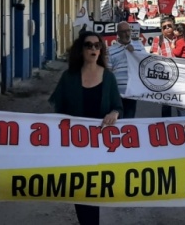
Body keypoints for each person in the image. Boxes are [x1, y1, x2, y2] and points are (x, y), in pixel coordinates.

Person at [50, 32, 123, 225]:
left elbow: (118, 106)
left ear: (101, 50)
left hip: (100, 147)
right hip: (76, 147)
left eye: (97, 46)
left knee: (94, 192)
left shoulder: (108, 78)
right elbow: (59, 111)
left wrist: (114, 113)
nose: (93, 49)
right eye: (88, 45)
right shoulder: (68, 78)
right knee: (81, 192)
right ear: (81, 50)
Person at [107, 22, 145, 119]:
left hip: (132, 92)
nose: (127, 34)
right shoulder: (111, 50)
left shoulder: (139, 46)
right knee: (117, 121)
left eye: (128, 31)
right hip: (117, 93)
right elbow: (108, 72)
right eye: (123, 32)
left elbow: (145, 64)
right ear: (118, 33)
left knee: (129, 121)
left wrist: (134, 53)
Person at [150, 16, 175, 117]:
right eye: (164, 27)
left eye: (169, 26)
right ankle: (166, 125)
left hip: (181, 75)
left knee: (182, 104)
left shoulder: (180, 37)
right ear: (161, 29)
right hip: (166, 77)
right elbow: (153, 56)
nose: (167, 28)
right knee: (166, 105)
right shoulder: (158, 39)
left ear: (174, 26)